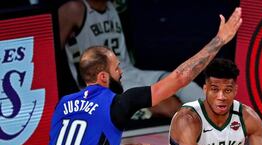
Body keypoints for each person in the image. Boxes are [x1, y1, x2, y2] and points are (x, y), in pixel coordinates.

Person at [24, 7, 243, 145]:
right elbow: (179, 78)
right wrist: (219, 41)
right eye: (116, 68)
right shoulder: (118, 103)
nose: (120, 73)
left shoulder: (63, 104)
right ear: (103, 76)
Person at [58, 0, 205, 118]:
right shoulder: (74, 9)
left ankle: (220, 122)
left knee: (184, 83)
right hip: (106, 83)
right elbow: (48, 51)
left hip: (130, 72)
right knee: (169, 105)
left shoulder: (112, 6)